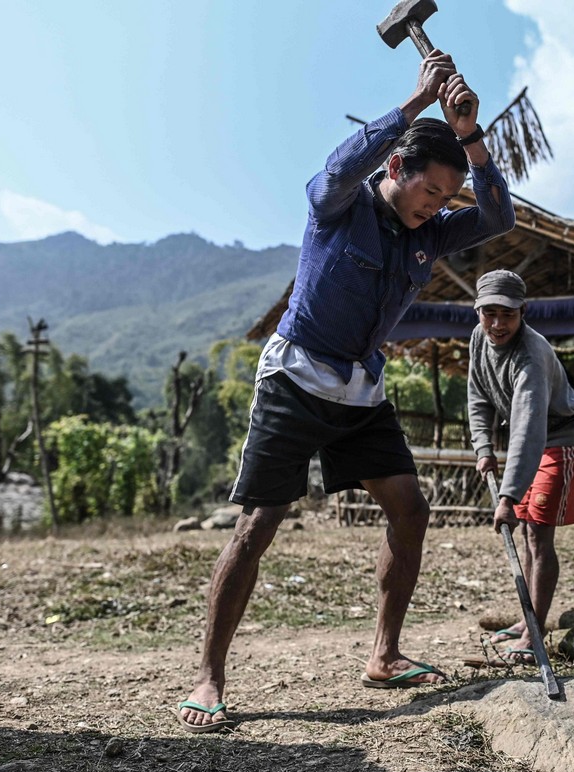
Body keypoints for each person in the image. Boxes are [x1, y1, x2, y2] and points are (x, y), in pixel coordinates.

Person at [177, 50, 515, 733]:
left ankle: (384, 655)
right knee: (259, 525)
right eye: (429, 194)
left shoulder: (433, 233)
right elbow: (334, 170)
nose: (437, 209)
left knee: (410, 510)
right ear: (396, 169)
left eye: (446, 199)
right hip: (296, 378)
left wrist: (471, 133)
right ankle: (208, 676)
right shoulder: (341, 207)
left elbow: (498, 216)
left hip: (360, 390)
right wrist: (415, 104)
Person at [467, 270, 574, 664]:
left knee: (538, 533)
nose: (498, 324)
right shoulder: (478, 339)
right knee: (526, 536)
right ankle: (527, 621)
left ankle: (535, 631)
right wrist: (483, 447)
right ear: (479, 311)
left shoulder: (531, 356)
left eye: (507, 314)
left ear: (523, 312)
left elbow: (527, 430)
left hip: (558, 437)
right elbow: (478, 394)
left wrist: (506, 496)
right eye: (489, 314)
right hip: (530, 437)